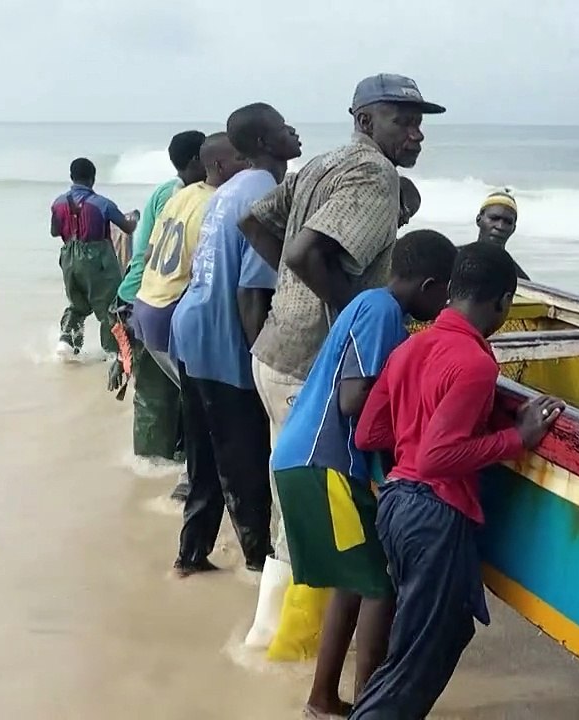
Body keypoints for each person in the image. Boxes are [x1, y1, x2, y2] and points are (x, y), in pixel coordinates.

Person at [238, 73, 445, 647]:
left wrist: (293, 285)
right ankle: (281, 644)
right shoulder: (376, 176)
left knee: (293, 500)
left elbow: (253, 220)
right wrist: (358, 317)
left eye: (419, 121)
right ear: (364, 122)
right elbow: (306, 252)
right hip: (309, 366)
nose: (416, 133)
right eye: (402, 120)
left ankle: (270, 636)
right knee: (316, 511)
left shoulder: (321, 164)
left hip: (276, 349)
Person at [351, 242, 564, 719]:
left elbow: (370, 432)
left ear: (451, 291)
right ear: (503, 302)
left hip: (396, 504)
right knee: (416, 662)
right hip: (433, 512)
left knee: (425, 644)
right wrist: (517, 437)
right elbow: (438, 457)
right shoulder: (474, 364)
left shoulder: (413, 346)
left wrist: (419, 430)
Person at [271, 230, 456, 717]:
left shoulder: (370, 305)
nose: (444, 309)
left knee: (353, 584)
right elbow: (356, 399)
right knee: (379, 586)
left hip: (307, 459)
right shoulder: (381, 312)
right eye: (445, 296)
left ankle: (324, 699)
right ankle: (373, 706)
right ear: (431, 286)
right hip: (324, 461)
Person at [167, 105, 302, 577]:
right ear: (265, 144)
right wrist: (257, 361)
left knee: (205, 454)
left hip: (191, 326)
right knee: (243, 457)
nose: (295, 132)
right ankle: (257, 563)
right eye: (286, 128)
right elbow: (251, 292)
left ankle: (191, 554)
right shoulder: (266, 191)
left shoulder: (232, 188)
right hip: (222, 334)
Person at [114, 130, 206, 490]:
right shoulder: (183, 196)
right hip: (151, 298)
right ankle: (166, 469)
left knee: (164, 392)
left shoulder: (168, 190)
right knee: (163, 393)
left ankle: (161, 463)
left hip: (140, 297)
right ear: (200, 161)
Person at [130, 133, 247, 382]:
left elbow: (150, 253)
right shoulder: (219, 203)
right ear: (219, 165)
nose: (248, 164)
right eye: (241, 158)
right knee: (205, 400)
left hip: (144, 306)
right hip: (169, 313)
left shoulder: (183, 193)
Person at [50, 158, 139, 357]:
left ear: (72, 177)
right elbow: (126, 227)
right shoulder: (103, 204)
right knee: (109, 305)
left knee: (77, 303)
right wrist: (134, 219)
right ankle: (112, 353)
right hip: (97, 259)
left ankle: (67, 341)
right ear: (93, 179)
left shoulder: (57, 203)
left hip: (69, 258)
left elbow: (55, 232)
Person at [475, 189, 529, 281]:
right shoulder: (451, 258)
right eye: (494, 218)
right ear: (478, 219)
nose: (500, 226)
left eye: (508, 222)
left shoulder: (517, 278)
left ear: (513, 229)